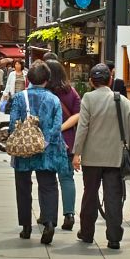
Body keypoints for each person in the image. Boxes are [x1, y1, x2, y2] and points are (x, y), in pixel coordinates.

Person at [73, 62, 130, 248]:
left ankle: (87, 232)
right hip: (115, 157)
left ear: (91, 81)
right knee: (113, 196)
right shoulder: (125, 102)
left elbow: (82, 128)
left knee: (90, 194)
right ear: (110, 80)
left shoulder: (88, 99)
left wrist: (77, 153)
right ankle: (113, 237)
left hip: (92, 157)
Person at [8, 61, 69, 244]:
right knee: (48, 185)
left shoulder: (19, 98)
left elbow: (12, 124)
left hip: (24, 150)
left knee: (23, 187)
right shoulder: (53, 99)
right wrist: (46, 141)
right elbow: (57, 126)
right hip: (47, 150)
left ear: (28, 79)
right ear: (47, 80)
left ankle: (26, 227)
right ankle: (49, 223)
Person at [46, 59, 81, 232]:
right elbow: (78, 114)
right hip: (67, 140)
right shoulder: (71, 91)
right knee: (66, 178)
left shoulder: (43, 93)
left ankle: (48, 216)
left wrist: (54, 129)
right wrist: (62, 128)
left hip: (47, 142)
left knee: (48, 181)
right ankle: (69, 214)